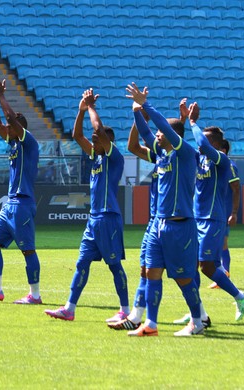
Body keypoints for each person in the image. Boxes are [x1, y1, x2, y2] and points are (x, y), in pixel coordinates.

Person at [124, 83, 203, 336]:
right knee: (151, 271)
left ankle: (197, 322)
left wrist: (146, 105)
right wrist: (137, 110)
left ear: (172, 136)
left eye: (161, 132)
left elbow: (162, 127)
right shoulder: (163, 156)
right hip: (160, 224)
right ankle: (151, 325)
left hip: (180, 225)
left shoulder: (185, 154)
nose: (156, 135)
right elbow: (144, 137)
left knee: (183, 279)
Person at [44, 89, 129, 322]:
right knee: (82, 263)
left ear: (108, 142)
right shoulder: (96, 157)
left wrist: (92, 106)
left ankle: (126, 309)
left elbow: (99, 130)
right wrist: (81, 110)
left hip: (108, 218)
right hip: (94, 220)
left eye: (97, 138)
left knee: (114, 266)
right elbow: (76, 134)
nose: (92, 139)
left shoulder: (114, 158)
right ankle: (69, 308)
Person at [172, 105, 244, 324]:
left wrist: (193, 122)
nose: (201, 144)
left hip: (212, 219)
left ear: (215, 145)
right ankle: (198, 312)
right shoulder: (201, 159)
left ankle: (240, 296)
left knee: (207, 266)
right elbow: (180, 146)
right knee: (190, 266)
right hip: (196, 219)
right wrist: (182, 120)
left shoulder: (222, 161)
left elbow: (236, 188)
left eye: (206, 142)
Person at [0, 73, 42, 305]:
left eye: (10, 126)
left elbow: (10, 119)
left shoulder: (28, 141)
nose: (6, 128)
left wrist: (3, 97)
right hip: (10, 203)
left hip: (23, 203)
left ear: (19, 128)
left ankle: (34, 295)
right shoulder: (13, 141)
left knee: (27, 250)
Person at [109, 114, 158, 330]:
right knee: (145, 269)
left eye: (159, 134)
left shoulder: (181, 156)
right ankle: (136, 317)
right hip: (155, 223)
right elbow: (133, 146)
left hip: (174, 223)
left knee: (186, 275)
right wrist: (138, 121)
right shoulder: (159, 158)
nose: (155, 137)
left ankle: (199, 315)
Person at [208, 139, 240, 289]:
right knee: (219, 245)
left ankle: (224, 275)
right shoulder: (213, 166)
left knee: (222, 244)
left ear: (223, 150)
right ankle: (222, 275)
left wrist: (233, 212)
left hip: (223, 212)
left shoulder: (230, 166)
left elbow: (236, 188)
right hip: (212, 212)